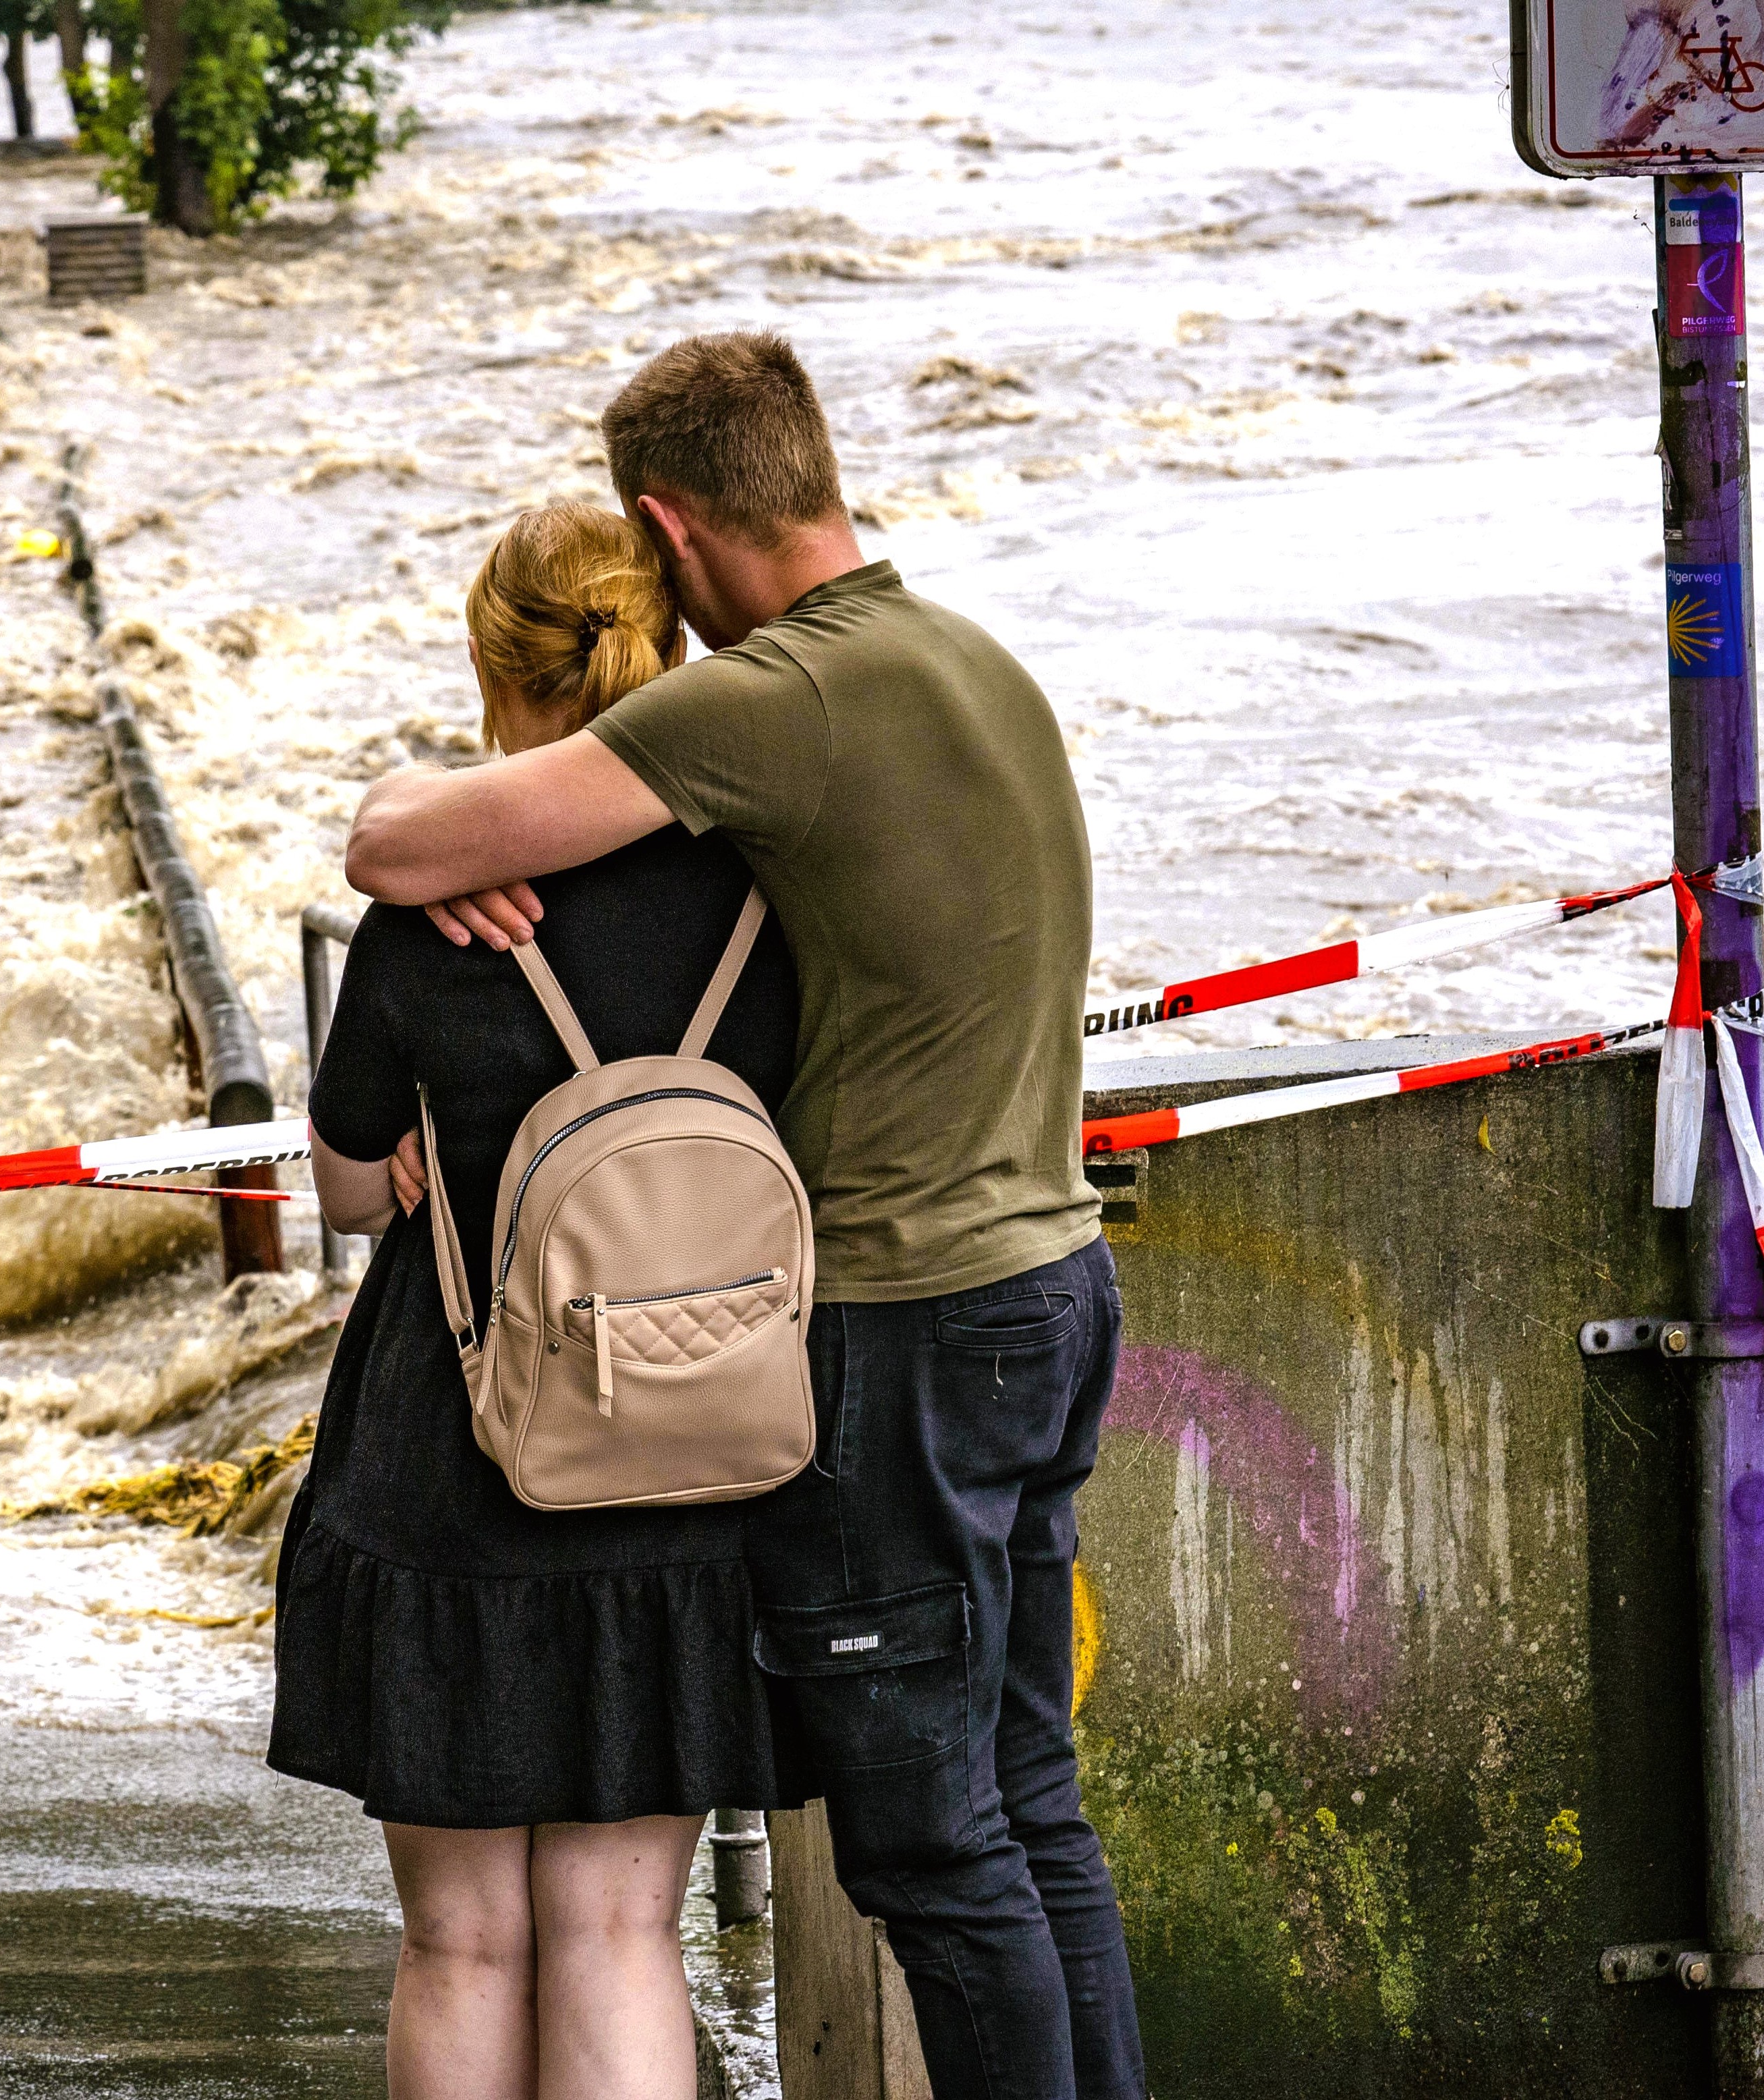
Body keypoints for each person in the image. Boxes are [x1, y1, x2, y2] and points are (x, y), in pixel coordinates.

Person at [345, 335, 1144, 2100]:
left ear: (667, 523)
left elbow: (405, 853)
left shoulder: (765, 698)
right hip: (1056, 1278)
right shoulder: (972, 660)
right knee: (1034, 1816)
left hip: (905, 1325)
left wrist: (415, 826)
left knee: (937, 1856)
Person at [273, 501, 807, 2100]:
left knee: (465, 1946)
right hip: (692, 1452)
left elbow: (355, 1193)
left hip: (458, 1463)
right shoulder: (768, 893)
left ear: (497, 669)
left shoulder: (439, 902)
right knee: (625, 1934)